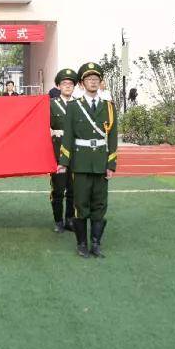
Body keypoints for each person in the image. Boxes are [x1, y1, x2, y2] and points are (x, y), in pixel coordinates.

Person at [57, 62, 117, 258]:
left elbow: (113, 137)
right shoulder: (74, 107)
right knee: (81, 204)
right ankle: (82, 244)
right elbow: (67, 136)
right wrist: (64, 162)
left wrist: (111, 163)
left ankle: (96, 243)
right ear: (82, 84)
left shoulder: (108, 107)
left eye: (96, 79)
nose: (93, 81)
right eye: (89, 79)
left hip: (100, 162)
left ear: (100, 83)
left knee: (100, 204)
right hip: (81, 163)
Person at [49, 68, 80, 233]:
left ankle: (70, 219)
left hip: (76, 151)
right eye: (64, 84)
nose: (67, 86)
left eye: (70, 84)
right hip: (58, 150)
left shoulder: (79, 104)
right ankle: (58, 220)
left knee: (73, 189)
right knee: (58, 188)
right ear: (58, 86)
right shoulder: (52, 104)